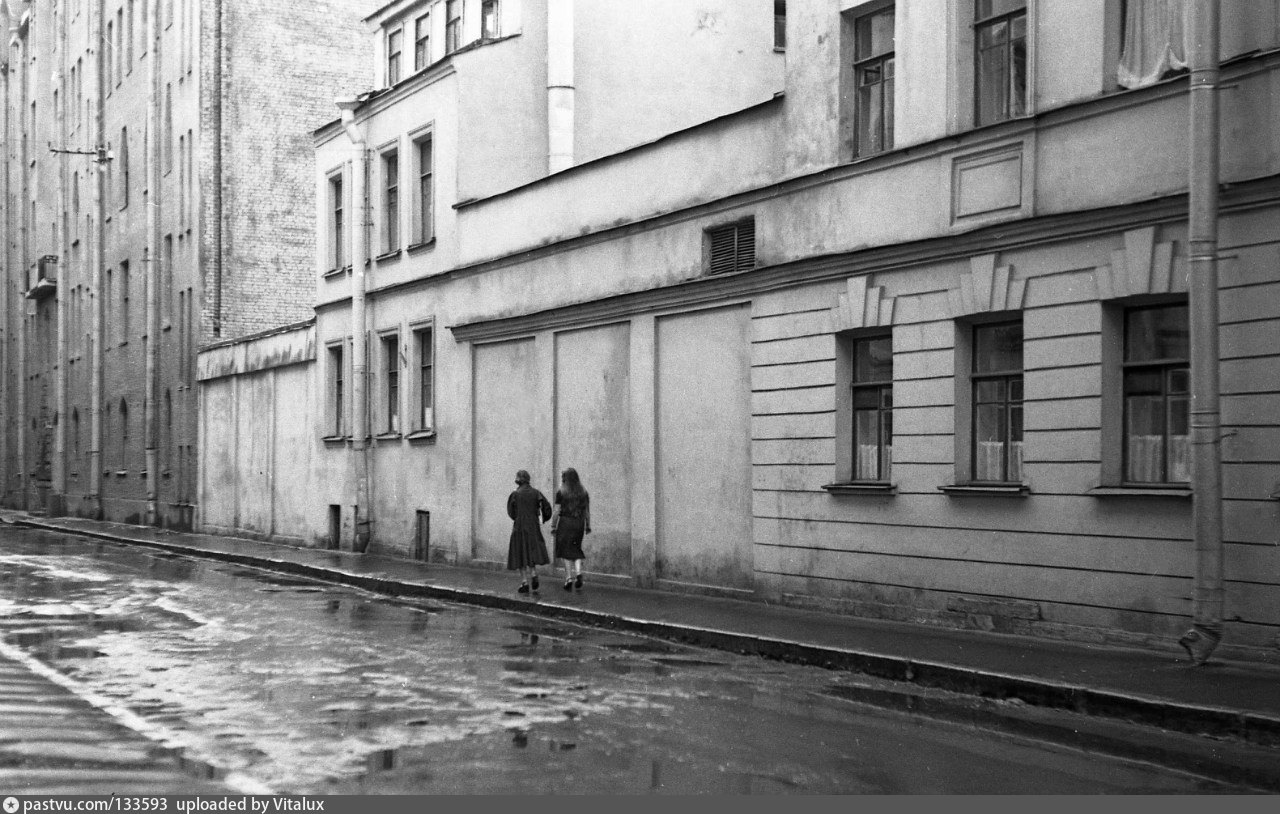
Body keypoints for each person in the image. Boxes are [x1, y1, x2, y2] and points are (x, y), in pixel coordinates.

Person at [507, 469, 552, 593]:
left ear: (518, 480)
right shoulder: (536, 492)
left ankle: (524, 582)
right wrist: (544, 518)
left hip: (520, 526)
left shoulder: (515, 494)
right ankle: (533, 573)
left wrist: (518, 517)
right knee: (531, 550)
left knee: (520, 552)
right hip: (533, 525)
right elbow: (547, 507)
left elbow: (511, 512)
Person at [551, 467, 591, 591]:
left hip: (565, 523)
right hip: (579, 523)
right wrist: (588, 525)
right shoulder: (583, 492)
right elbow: (587, 511)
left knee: (565, 551)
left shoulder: (561, 492)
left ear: (565, 479)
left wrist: (553, 525)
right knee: (576, 548)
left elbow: (557, 511)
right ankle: (578, 573)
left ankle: (568, 578)